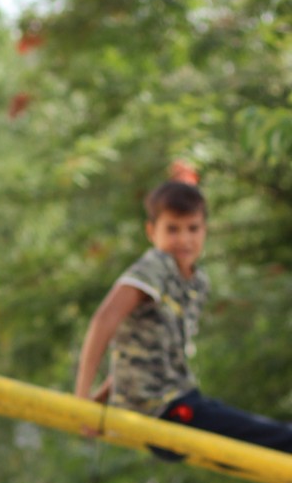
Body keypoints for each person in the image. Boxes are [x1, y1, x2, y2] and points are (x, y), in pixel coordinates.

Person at [74, 175, 292, 452]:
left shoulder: (196, 282)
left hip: (178, 399)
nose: (184, 239)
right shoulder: (156, 266)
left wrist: (104, 395)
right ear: (152, 232)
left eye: (193, 228)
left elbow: (139, 352)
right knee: (273, 436)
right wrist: (81, 403)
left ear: (205, 231)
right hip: (162, 409)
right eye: (172, 229)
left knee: (250, 433)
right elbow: (104, 321)